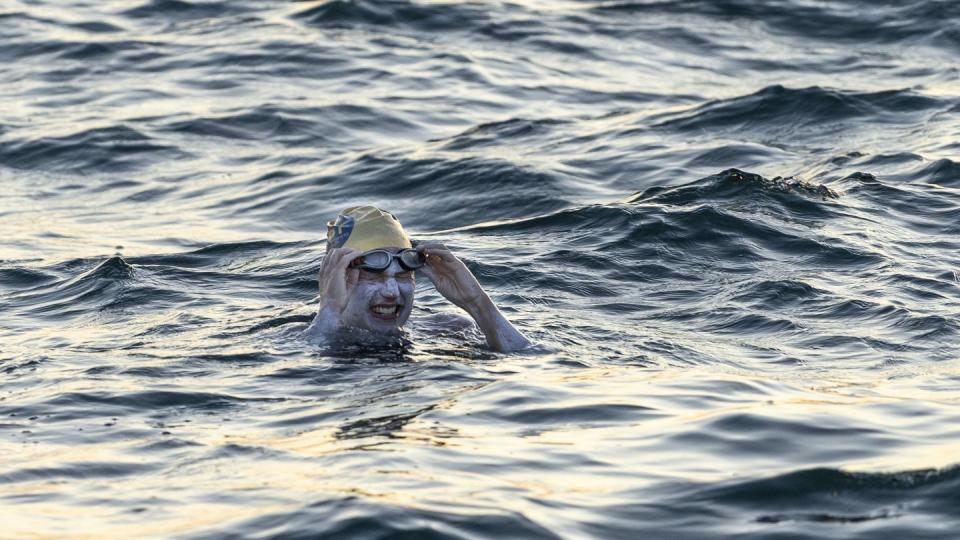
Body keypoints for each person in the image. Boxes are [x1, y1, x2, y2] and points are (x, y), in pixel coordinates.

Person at [304, 206, 530, 352]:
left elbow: (526, 360)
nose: (392, 292)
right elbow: (308, 383)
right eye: (374, 275)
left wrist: (478, 304)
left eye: (403, 275)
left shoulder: (448, 328)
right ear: (334, 278)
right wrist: (330, 309)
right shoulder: (292, 341)